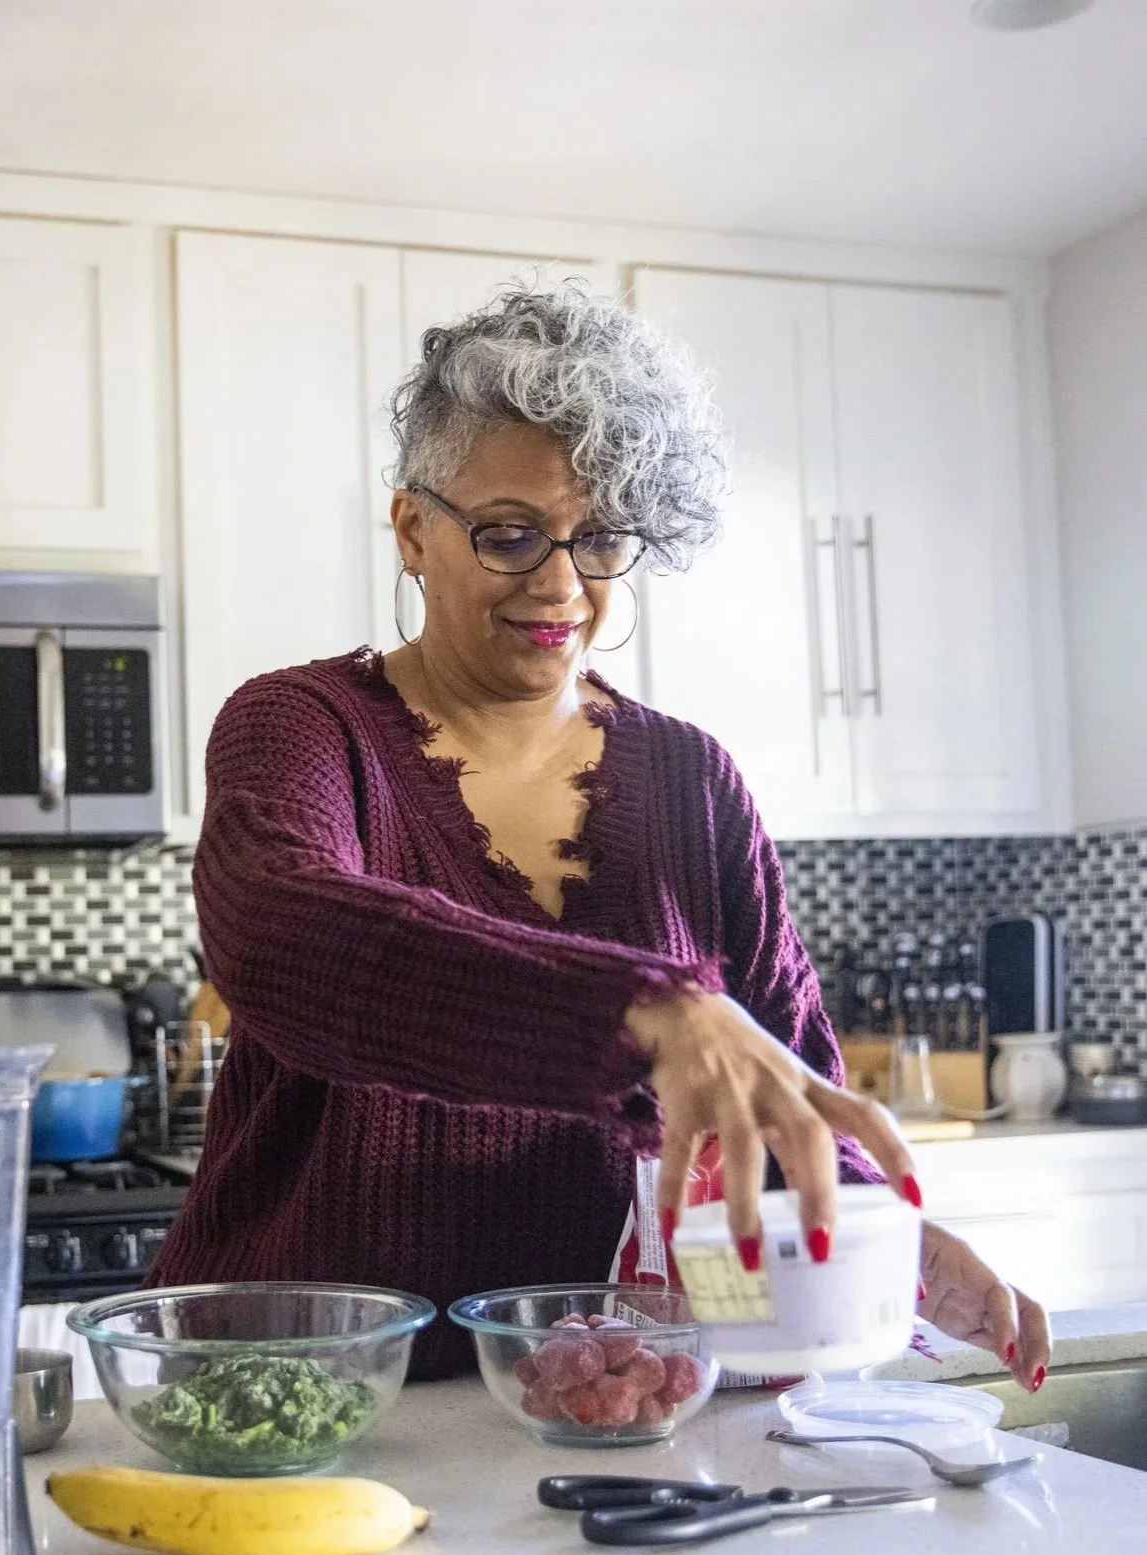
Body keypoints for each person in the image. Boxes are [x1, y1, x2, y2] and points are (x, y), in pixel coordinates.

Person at [147, 281, 1052, 1387]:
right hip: (308, 1398)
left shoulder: (691, 777)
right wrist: (645, 1009)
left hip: (612, 1403)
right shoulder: (301, 724)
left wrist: (879, 1239)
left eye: (600, 537)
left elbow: (781, 1076)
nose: (561, 584)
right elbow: (281, 931)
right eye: (508, 532)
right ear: (411, 530)